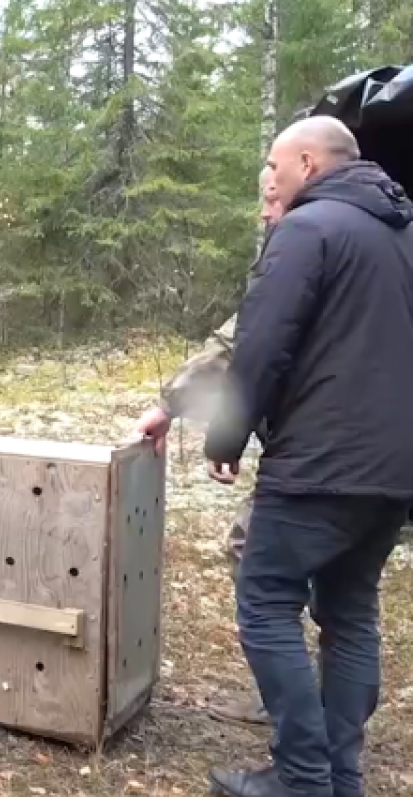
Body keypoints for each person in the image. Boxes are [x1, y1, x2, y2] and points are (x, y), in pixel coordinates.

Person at [202, 116, 413, 797]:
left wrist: (225, 436)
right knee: (349, 611)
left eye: (274, 163)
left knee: (265, 599)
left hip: (321, 463)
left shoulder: (307, 230)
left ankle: (301, 774)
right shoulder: (404, 236)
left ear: (308, 162)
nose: (269, 176)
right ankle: (339, 777)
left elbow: (262, 342)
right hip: (393, 469)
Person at [134, 165, 284, 727]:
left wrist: (186, 414)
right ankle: (340, 722)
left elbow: (245, 343)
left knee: (260, 565)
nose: (264, 213)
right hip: (386, 455)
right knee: (350, 591)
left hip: (318, 456)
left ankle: (293, 722)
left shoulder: (308, 249)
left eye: (271, 200)